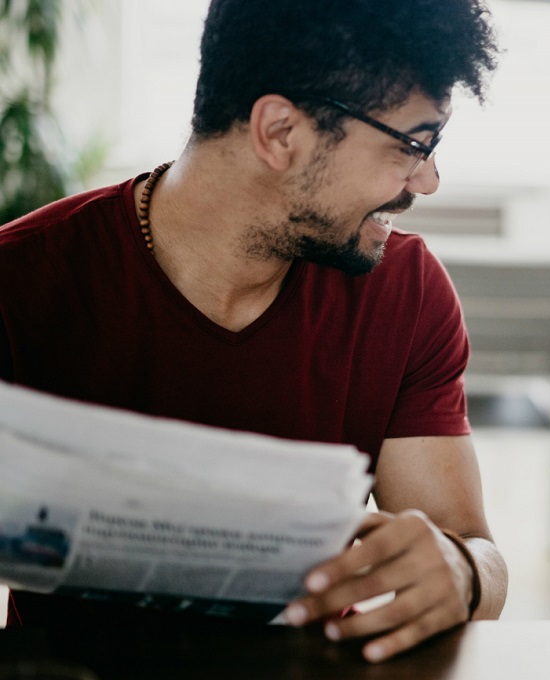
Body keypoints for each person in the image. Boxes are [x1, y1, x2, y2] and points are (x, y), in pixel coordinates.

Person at [0, 0, 506, 662]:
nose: (428, 181)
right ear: (280, 132)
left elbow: (474, 550)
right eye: (412, 144)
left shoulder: (404, 291)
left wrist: (462, 573)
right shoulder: (24, 281)